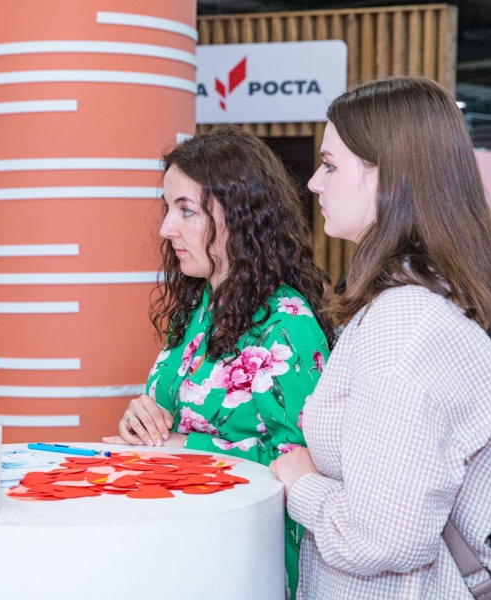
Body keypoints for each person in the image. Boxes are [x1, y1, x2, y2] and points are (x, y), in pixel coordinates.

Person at [270, 76, 491, 598]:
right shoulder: (449, 295)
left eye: (330, 165)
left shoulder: (406, 322)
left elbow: (384, 538)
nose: (314, 184)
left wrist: (302, 485)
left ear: (389, 175)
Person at [103, 126, 334, 595]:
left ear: (240, 215)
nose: (166, 228)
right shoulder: (199, 305)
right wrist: (142, 421)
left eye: (186, 210)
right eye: (168, 208)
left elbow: (308, 467)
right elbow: (172, 419)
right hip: (188, 547)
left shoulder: (286, 323)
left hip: (250, 561)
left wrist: (181, 447)